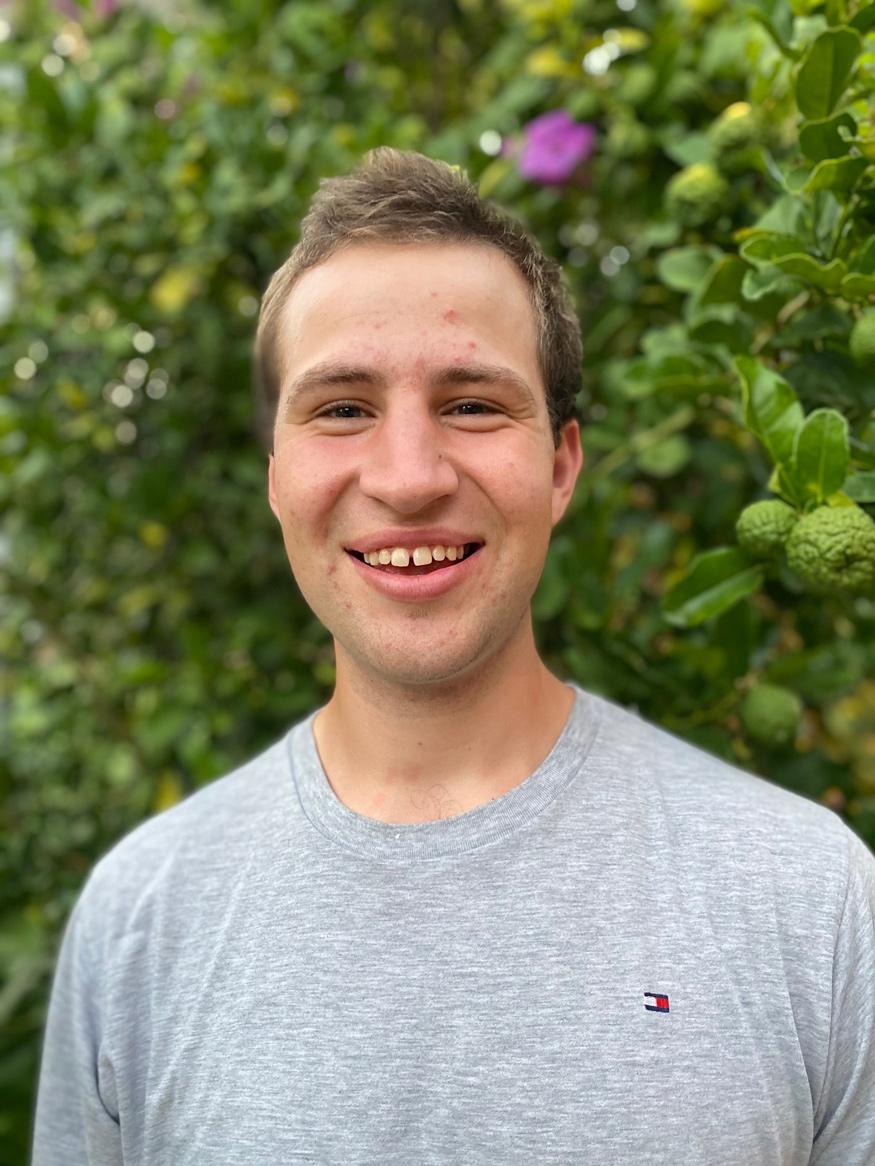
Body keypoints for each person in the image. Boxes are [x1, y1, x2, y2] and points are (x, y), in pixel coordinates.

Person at [32, 148, 874, 1165]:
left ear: (560, 463)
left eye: (472, 403)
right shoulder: (139, 923)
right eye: (340, 407)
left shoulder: (807, 898)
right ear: (275, 472)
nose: (407, 477)